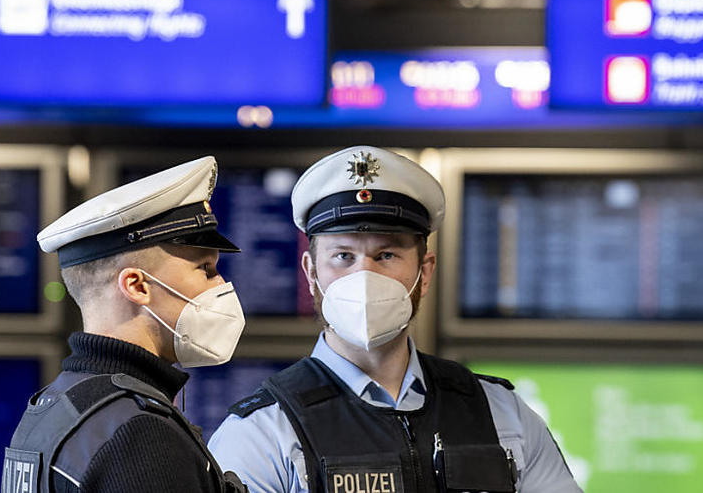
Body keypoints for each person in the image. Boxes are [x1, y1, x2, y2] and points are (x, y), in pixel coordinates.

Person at [208, 146, 581, 492]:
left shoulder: (500, 413)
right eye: (343, 256)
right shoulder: (263, 433)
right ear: (310, 272)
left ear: (426, 270)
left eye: (386, 255)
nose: (363, 277)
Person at [2, 156, 249, 493]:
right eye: (205, 269)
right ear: (137, 286)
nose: (220, 285)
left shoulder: (52, 408)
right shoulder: (139, 432)